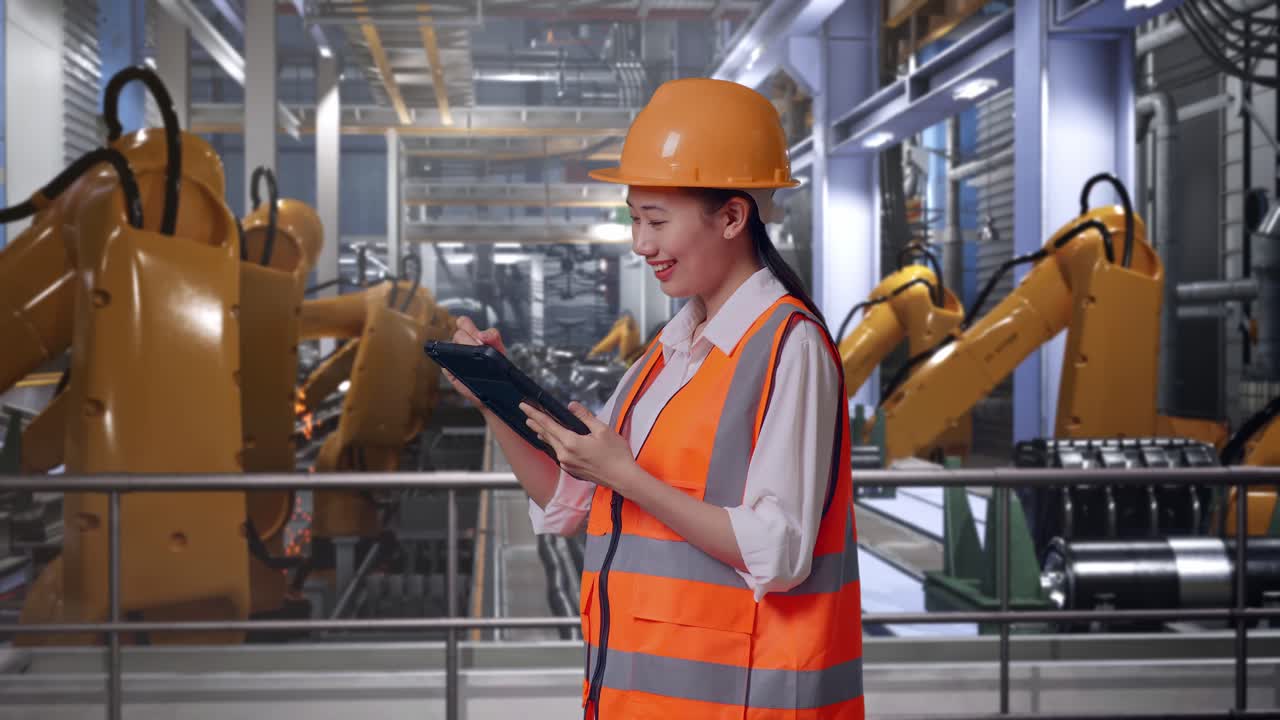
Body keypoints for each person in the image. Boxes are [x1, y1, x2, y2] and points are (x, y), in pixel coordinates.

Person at [445, 78, 863, 720]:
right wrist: (490, 397)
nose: (641, 244)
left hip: (740, 702)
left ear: (731, 216)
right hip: (638, 698)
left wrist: (627, 475)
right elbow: (573, 499)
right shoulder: (666, 353)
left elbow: (778, 553)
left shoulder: (789, 346)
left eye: (656, 221)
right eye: (635, 219)